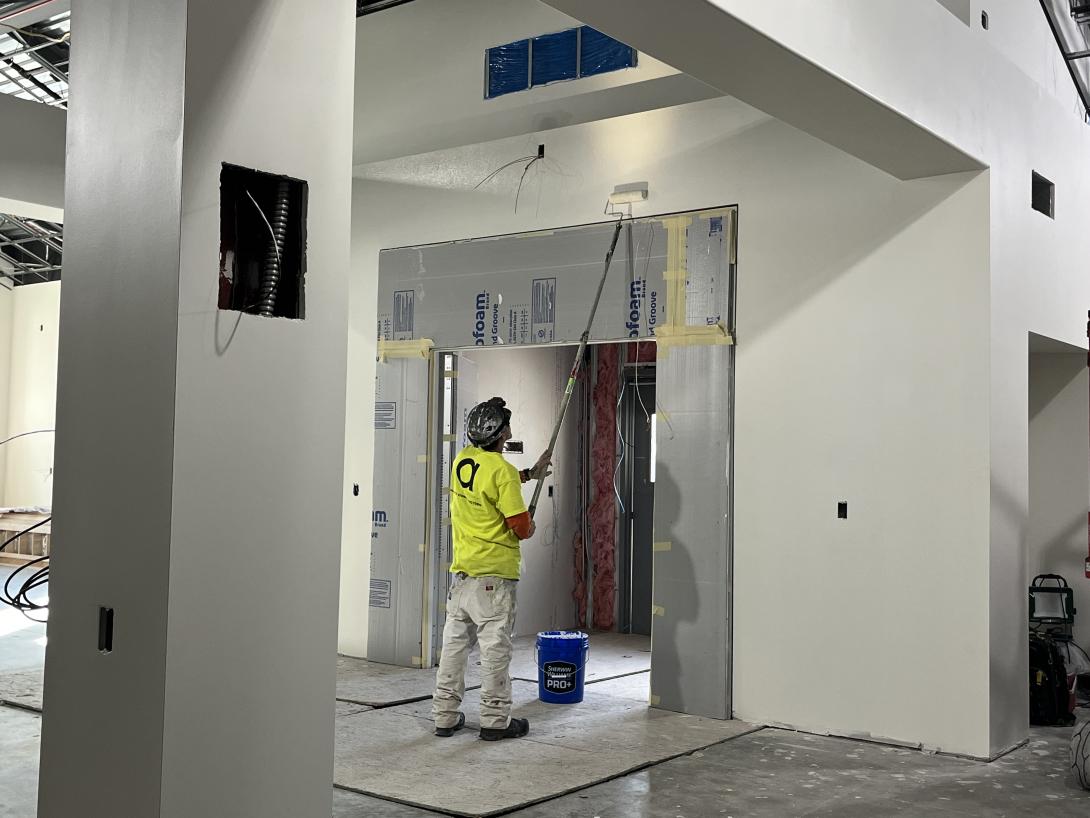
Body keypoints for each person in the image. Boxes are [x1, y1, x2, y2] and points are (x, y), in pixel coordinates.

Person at [432, 396, 551, 741]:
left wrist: (530, 473)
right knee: (494, 651)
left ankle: (444, 716)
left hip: (463, 577)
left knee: (454, 650)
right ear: (500, 434)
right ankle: (495, 721)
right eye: (506, 427)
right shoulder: (502, 471)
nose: (509, 431)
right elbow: (521, 529)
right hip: (494, 581)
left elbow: (494, 483)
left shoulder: (463, 460)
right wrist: (529, 520)